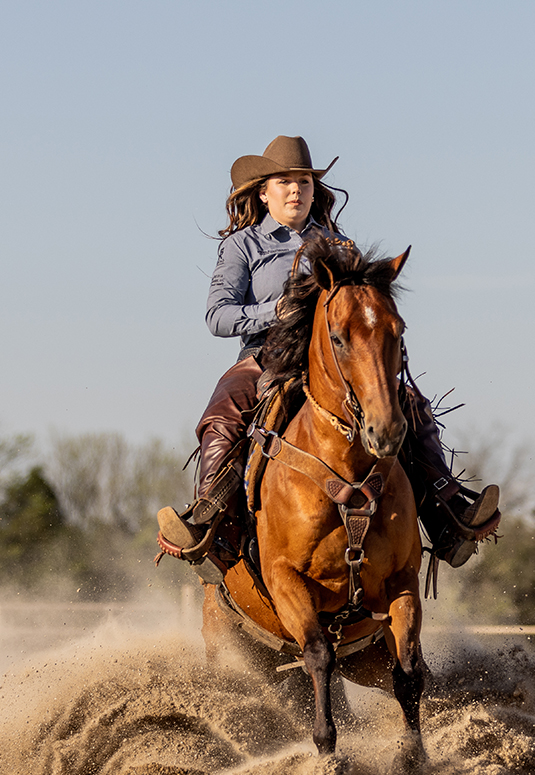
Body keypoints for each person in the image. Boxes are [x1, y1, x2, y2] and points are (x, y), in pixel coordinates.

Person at [157, 135, 499, 583]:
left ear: (315, 190)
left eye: (304, 181)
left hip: (340, 365)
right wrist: (271, 311)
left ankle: (447, 513)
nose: (296, 189)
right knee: (225, 410)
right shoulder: (243, 247)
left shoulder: (342, 246)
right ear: (264, 192)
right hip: (268, 357)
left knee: (408, 403)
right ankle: (209, 519)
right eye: (285, 181)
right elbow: (216, 316)